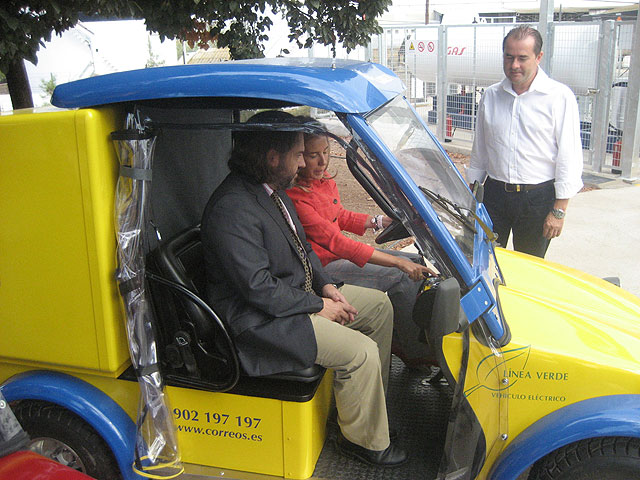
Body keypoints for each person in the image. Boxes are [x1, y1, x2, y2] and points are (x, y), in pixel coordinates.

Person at [201, 111, 407, 467]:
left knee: (377, 306)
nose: (303, 163)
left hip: (295, 296)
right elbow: (257, 288)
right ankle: (362, 442)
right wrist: (315, 305)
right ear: (272, 157)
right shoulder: (232, 207)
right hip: (258, 322)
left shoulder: (272, 193)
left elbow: (305, 248)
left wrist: (327, 285)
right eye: (298, 154)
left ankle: (366, 409)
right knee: (360, 352)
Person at [286, 118, 437, 370]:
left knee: (416, 263)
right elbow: (337, 242)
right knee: (400, 275)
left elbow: (340, 216)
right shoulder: (296, 198)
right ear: (299, 156)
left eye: (325, 152)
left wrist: (379, 221)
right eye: (313, 156)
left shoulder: (325, 183)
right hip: (324, 268)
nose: (323, 162)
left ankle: (405, 335)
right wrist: (397, 262)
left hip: (337, 258)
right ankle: (413, 350)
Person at [468, 25, 583, 258]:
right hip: (494, 196)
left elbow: (569, 155)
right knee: (485, 261)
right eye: (509, 57)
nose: (514, 65)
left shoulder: (559, 97)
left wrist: (559, 211)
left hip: (537, 201)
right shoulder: (491, 96)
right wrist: (473, 196)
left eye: (522, 58)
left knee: (529, 266)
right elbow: (480, 149)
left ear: (538, 57)